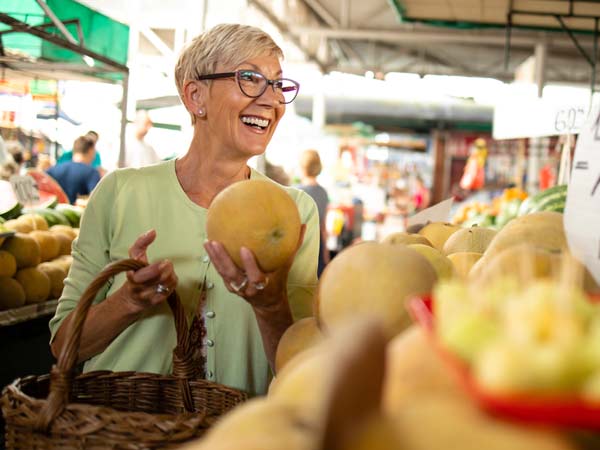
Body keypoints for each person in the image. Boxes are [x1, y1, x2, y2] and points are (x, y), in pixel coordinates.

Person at [49, 24, 319, 396]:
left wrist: (270, 306)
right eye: (251, 79)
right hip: (118, 430)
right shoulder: (119, 192)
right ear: (195, 96)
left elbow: (305, 375)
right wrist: (127, 302)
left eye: (278, 85)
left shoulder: (295, 211)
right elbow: (64, 345)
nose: (272, 101)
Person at [296, 149, 330, 276]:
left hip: (300, 245)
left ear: (302, 167)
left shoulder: (296, 191)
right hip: (318, 244)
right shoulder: (323, 192)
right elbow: (323, 227)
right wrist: (326, 255)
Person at [46, 136, 101, 204]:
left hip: (52, 213)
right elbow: (97, 200)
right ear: (90, 150)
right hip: (78, 214)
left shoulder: (53, 169)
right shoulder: (92, 173)